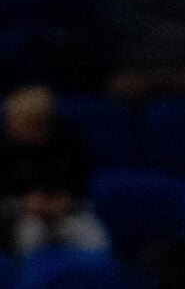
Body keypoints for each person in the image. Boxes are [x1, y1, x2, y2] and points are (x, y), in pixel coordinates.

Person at [3, 86, 108, 255]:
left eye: (32, 124)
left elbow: (81, 184)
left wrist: (65, 201)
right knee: (31, 235)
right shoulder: (6, 148)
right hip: (23, 217)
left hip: (67, 212)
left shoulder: (68, 143)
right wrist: (24, 204)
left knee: (94, 239)